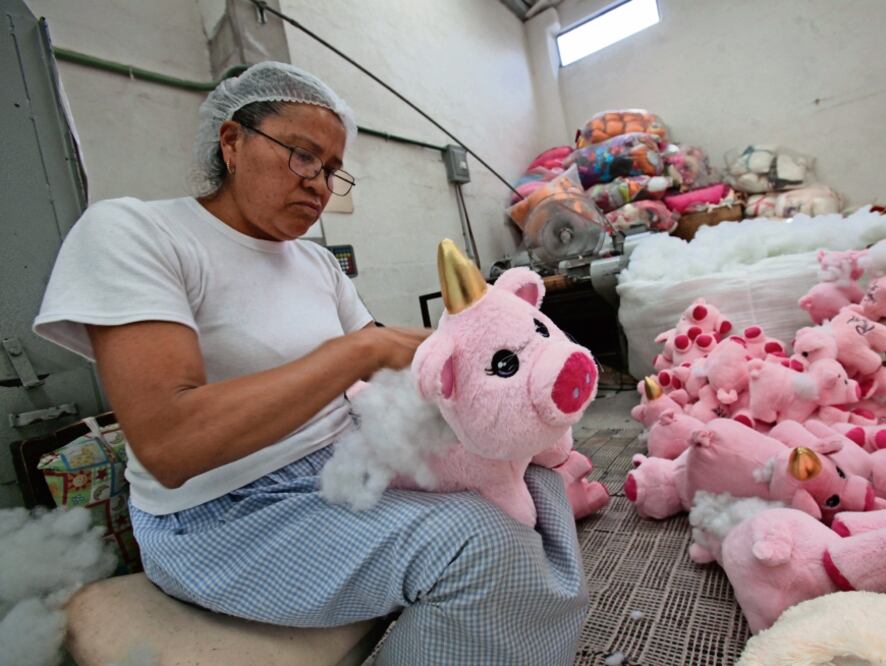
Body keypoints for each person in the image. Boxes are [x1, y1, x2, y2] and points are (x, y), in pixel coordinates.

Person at [33, 61, 587, 664]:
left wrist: (489, 367)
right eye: (302, 156)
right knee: (478, 544)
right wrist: (356, 351)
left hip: (344, 460)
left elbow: (395, 368)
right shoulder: (139, 233)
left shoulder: (316, 264)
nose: (319, 185)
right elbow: (170, 444)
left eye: (331, 170)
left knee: (525, 470)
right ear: (232, 142)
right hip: (226, 515)